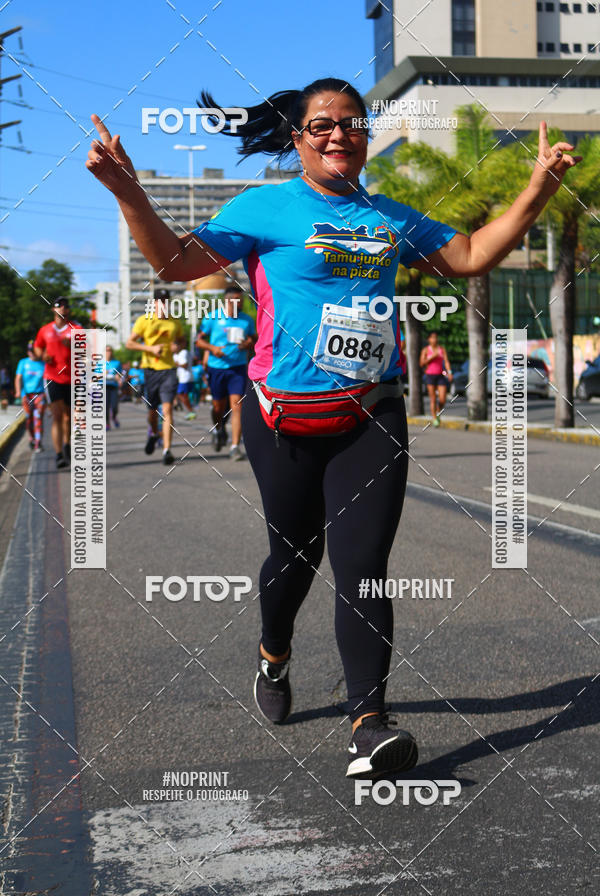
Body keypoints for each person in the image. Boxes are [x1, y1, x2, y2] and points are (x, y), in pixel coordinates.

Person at [87, 80, 581, 778]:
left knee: (365, 570)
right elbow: (176, 263)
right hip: (281, 417)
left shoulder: (387, 217)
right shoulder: (266, 206)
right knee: (293, 561)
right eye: (322, 125)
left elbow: (469, 255)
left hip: (369, 414)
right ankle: (273, 649)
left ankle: (369, 724)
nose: (339, 134)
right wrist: (129, 191)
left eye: (352, 123)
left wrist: (537, 188)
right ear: (297, 137)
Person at [195, 286, 256, 459]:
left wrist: (247, 343)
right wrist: (212, 348)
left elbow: (253, 338)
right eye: (238, 300)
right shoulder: (212, 318)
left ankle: (235, 446)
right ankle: (218, 428)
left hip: (237, 367)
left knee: (237, 406)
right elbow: (198, 341)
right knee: (218, 407)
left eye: (242, 300)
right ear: (228, 301)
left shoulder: (246, 320)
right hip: (217, 367)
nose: (241, 304)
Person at [125, 288, 184, 465]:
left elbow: (181, 340)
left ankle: (167, 450)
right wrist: (150, 349)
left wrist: (178, 347)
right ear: (154, 303)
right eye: (160, 301)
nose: (163, 304)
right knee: (152, 413)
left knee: (167, 410)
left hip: (169, 370)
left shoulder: (174, 323)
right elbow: (130, 343)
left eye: (166, 301)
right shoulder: (144, 321)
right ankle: (153, 432)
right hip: (150, 371)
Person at [34, 297, 80, 469]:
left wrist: (74, 345)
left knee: (69, 417)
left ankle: (67, 445)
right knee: (57, 416)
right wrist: (42, 355)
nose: (63, 308)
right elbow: (38, 347)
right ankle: (59, 454)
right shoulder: (45, 330)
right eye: (60, 306)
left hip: (73, 378)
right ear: (53, 310)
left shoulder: (76, 328)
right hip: (52, 377)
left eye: (66, 306)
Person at [14, 341, 46, 451]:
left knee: (38, 418)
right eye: (29, 351)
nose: (31, 353)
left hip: (39, 394)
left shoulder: (43, 364)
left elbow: (47, 380)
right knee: (29, 419)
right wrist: (18, 392)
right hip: (26, 395)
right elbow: (18, 378)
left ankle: (38, 442)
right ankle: (31, 438)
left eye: (33, 351)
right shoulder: (23, 363)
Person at [420, 331, 453, 426]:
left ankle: (438, 410)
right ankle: (434, 418)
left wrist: (449, 372)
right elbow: (422, 363)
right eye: (432, 337)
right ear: (429, 339)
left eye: (436, 337)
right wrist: (432, 357)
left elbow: (446, 361)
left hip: (440, 376)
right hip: (430, 376)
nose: (435, 339)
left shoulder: (441, 349)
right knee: (433, 398)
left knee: (442, 399)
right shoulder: (426, 350)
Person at [96, 344, 123, 429]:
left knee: (114, 406)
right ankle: (107, 423)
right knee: (106, 406)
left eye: (110, 350)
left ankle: (114, 417)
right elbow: (96, 376)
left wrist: (118, 378)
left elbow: (120, 375)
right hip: (103, 386)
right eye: (107, 351)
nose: (108, 352)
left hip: (113, 386)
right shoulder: (99, 362)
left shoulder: (117, 363)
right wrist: (103, 374)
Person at [173, 345, 196, 419]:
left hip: (184, 378)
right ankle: (190, 410)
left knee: (181, 394)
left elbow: (185, 365)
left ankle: (191, 411)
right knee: (182, 394)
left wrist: (175, 364)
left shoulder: (183, 352)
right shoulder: (178, 354)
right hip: (183, 377)